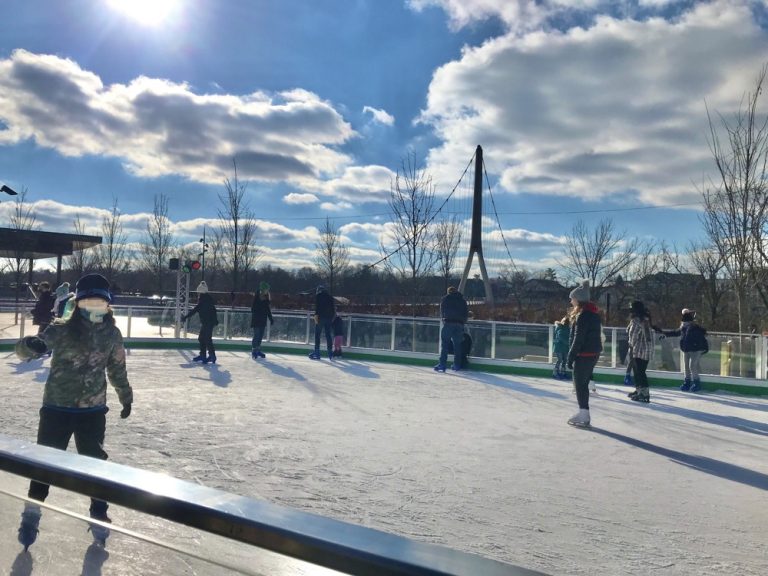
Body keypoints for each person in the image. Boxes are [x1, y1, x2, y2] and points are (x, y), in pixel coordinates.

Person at [14, 273, 133, 549]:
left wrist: (125, 396)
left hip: (92, 412)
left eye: (99, 303)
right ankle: (32, 512)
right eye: (88, 302)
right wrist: (30, 346)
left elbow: (116, 368)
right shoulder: (61, 329)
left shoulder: (112, 334)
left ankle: (99, 513)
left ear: (108, 305)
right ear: (77, 304)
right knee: (45, 463)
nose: (93, 308)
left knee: (93, 464)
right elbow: (28, 350)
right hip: (57, 407)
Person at [566, 280, 602, 427]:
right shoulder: (593, 314)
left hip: (584, 354)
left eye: (572, 298)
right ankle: (584, 412)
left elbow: (578, 338)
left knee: (580, 384)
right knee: (583, 383)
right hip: (592, 353)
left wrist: (570, 357)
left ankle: (583, 413)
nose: (571, 301)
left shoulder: (583, 316)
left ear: (578, 299)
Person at [655, 308, 709, 392]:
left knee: (692, 366)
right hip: (687, 349)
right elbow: (675, 332)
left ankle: (697, 383)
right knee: (686, 366)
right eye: (684, 323)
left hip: (696, 350)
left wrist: (700, 347)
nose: (685, 324)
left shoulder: (695, 328)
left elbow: (702, 335)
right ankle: (687, 382)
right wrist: (664, 334)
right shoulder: (683, 327)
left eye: (686, 323)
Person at [181, 281, 219, 364]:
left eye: (198, 292)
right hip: (208, 322)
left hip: (208, 322)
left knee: (207, 339)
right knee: (202, 338)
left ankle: (211, 356)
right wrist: (215, 320)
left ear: (200, 292)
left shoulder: (203, 300)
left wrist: (185, 317)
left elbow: (195, 310)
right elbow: (213, 310)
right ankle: (204, 355)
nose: (197, 294)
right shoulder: (207, 298)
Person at [434, 286, 469, 372]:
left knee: (445, 344)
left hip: (449, 323)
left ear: (449, 292)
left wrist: (443, 319)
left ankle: (442, 364)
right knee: (457, 345)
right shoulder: (462, 300)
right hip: (459, 324)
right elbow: (466, 313)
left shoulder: (446, 298)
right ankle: (457, 365)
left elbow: (442, 310)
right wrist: (463, 322)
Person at [627, 300, 653, 403]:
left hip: (639, 349)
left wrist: (631, 344)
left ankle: (644, 393)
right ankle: (639, 390)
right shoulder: (646, 319)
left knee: (640, 371)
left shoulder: (637, 320)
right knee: (638, 371)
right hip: (647, 349)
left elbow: (633, 335)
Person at [309, 285, 336, 360]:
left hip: (320, 317)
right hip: (329, 318)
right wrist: (332, 318)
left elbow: (317, 308)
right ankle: (330, 353)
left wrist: (315, 317)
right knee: (328, 335)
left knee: (317, 334)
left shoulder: (318, 296)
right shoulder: (330, 297)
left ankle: (317, 352)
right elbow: (333, 308)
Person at [250, 281, 274, 359]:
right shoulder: (257, 297)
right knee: (256, 335)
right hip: (256, 320)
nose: (268, 291)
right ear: (263, 289)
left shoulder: (266, 299)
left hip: (263, 320)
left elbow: (267, 310)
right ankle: (254, 351)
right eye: (267, 289)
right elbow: (253, 309)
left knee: (260, 336)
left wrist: (271, 318)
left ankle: (258, 350)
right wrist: (260, 310)